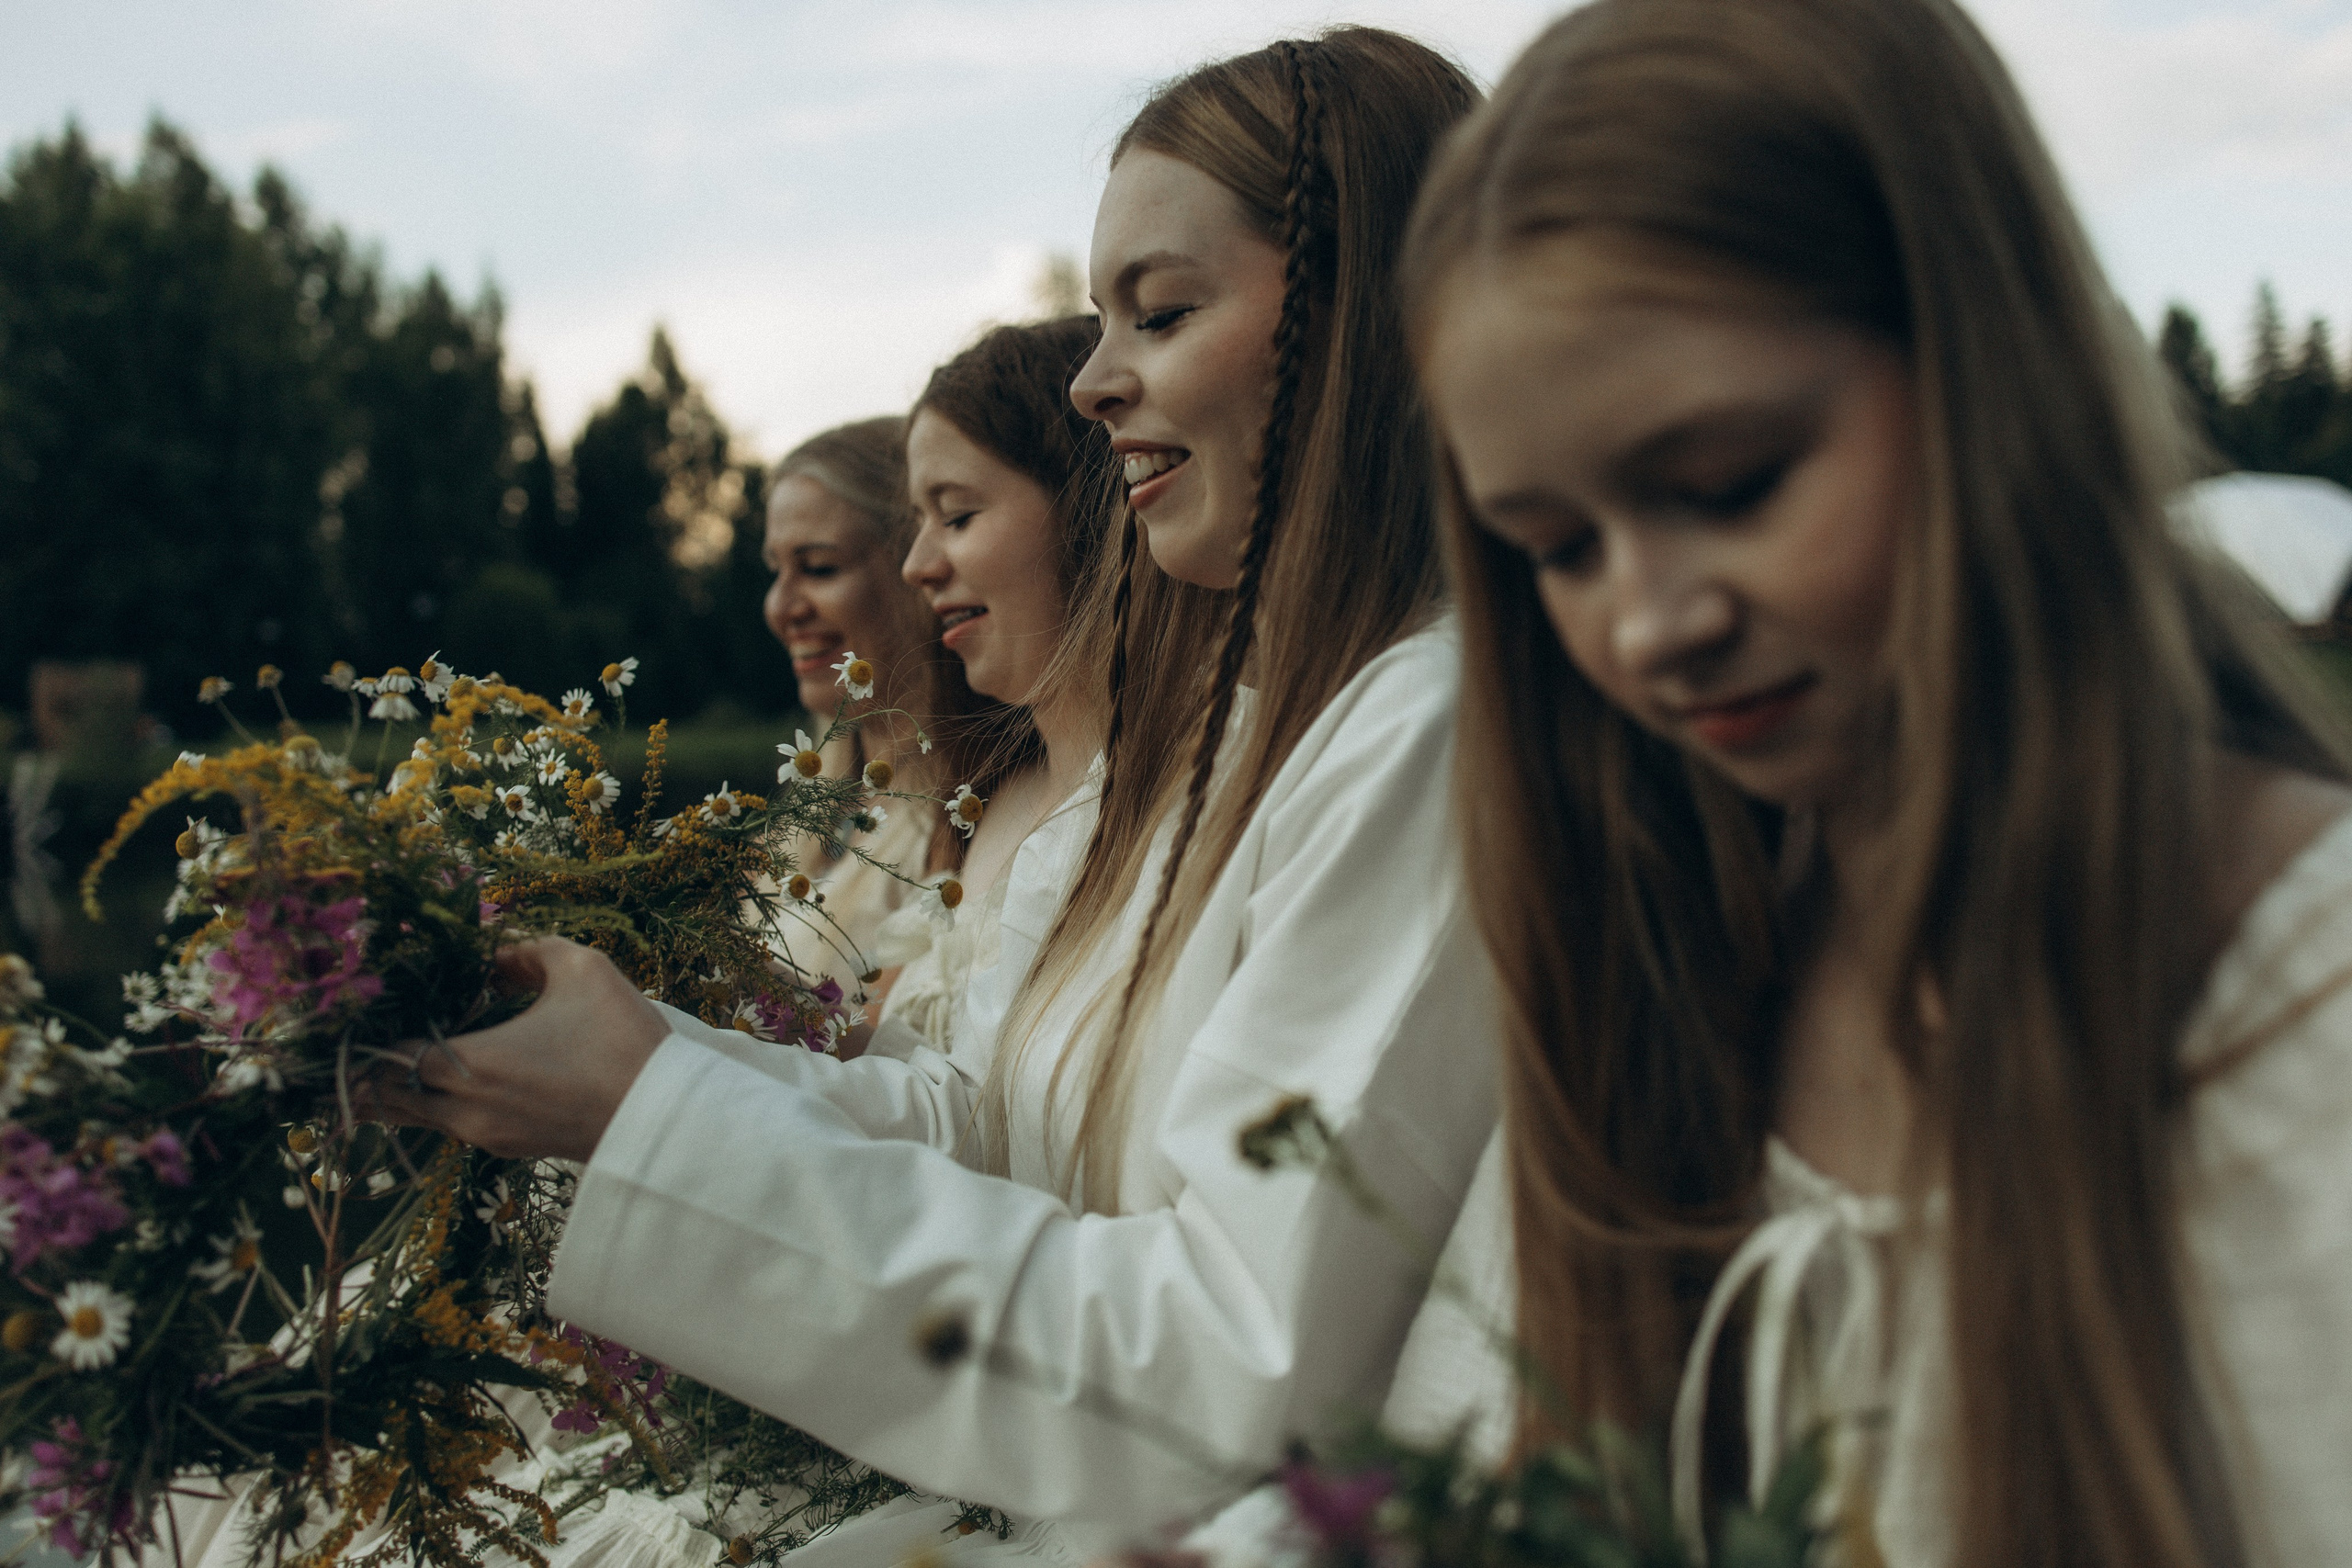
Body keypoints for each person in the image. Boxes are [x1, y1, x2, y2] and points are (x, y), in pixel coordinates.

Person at [373, 28, 1498, 1557]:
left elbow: (1229, 1369)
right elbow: (993, 1123)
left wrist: (650, 1116)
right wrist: (639, 1062)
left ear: (1364, 311)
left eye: (1160, 312)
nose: (1100, 381)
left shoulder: (1430, 744)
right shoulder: (1213, 766)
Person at [1384, 1, 2352, 1565]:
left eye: (1729, 485)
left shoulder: (2305, 1011)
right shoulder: (1675, 969)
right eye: (1557, 548)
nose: (1650, 622)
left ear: (1986, 360)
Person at [760, 417, 945, 1001]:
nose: (780, 606)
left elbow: (893, 1058)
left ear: (918, 566)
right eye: (776, 570)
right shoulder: (808, 813)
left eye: (818, 568)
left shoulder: (961, 824)